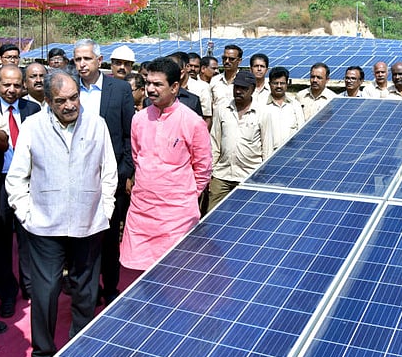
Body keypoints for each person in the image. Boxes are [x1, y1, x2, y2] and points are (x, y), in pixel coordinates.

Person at [6, 70, 118, 357]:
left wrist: (105, 210)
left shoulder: (97, 124)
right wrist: (27, 214)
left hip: (89, 222)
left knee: (86, 289)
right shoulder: (33, 127)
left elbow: (109, 172)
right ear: (47, 101)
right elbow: (17, 178)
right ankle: (43, 354)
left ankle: (83, 345)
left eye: (74, 98)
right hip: (45, 225)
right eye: (61, 101)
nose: (70, 105)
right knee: (46, 291)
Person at [120, 57, 211, 272]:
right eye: (148, 83)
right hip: (142, 212)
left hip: (176, 216)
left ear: (175, 87)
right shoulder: (139, 119)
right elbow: (137, 157)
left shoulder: (192, 122)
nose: (150, 89)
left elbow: (203, 168)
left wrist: (184, 197)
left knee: (176, 276)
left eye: (158, 84)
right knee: (139, 278)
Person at [72, 39, 134, 306]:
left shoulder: (119, 89)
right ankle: (86, 285)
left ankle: (110, 286)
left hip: (111, 175)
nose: (82, 64)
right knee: (82, 235)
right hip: (77, 175)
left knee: (109, 236)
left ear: (99, 60)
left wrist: (126, 171)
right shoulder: (69, 88)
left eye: (86, 58)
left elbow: (129, 132)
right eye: (77, 60)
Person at [0, 65, 41, 317]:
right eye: (6, 84)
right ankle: (7, 293)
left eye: (16, 85)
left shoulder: (33, 110)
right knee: (3, 240)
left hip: (28, 182)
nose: (11, 89)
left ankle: (30, 287)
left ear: (24, 86)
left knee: (28, 236)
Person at [209, 70, 274, 210]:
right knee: (212, 218)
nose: (238, 91)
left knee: (246, 219)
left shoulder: (263, 113)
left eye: (243, 88)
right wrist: (211, 171)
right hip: (222, 175)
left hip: (249, 175)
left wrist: (262, 176)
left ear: (252, 89)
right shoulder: (222, 109)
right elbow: (214, 142)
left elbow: (267, 147)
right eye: (236, 87)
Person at [263, 66, 305, 148]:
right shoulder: (262, 106)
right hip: (269, 155)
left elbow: (301, 130)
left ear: (287, 84)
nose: (279, 86)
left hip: (291, 152)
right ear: (269, 84)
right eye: (275, 83)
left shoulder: (295, 105)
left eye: (282, 83)